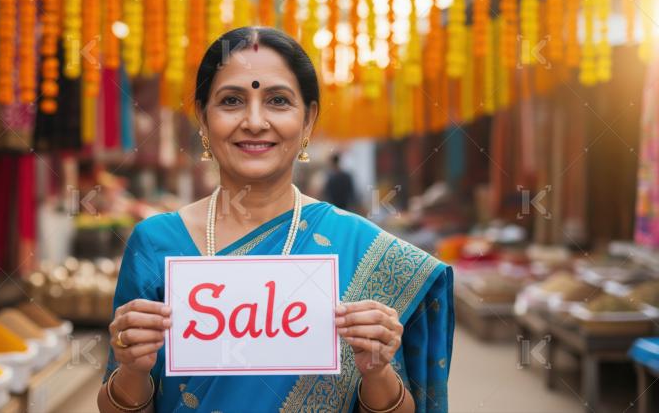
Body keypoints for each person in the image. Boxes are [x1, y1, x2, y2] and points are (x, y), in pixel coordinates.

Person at [98, 27, 454, 413]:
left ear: (308, 119)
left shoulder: (361, 247)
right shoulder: (155, 242)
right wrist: (133, 370)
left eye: (278, 101)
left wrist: (376, 371)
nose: (254, 121)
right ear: (202, 117)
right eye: (232, 100)